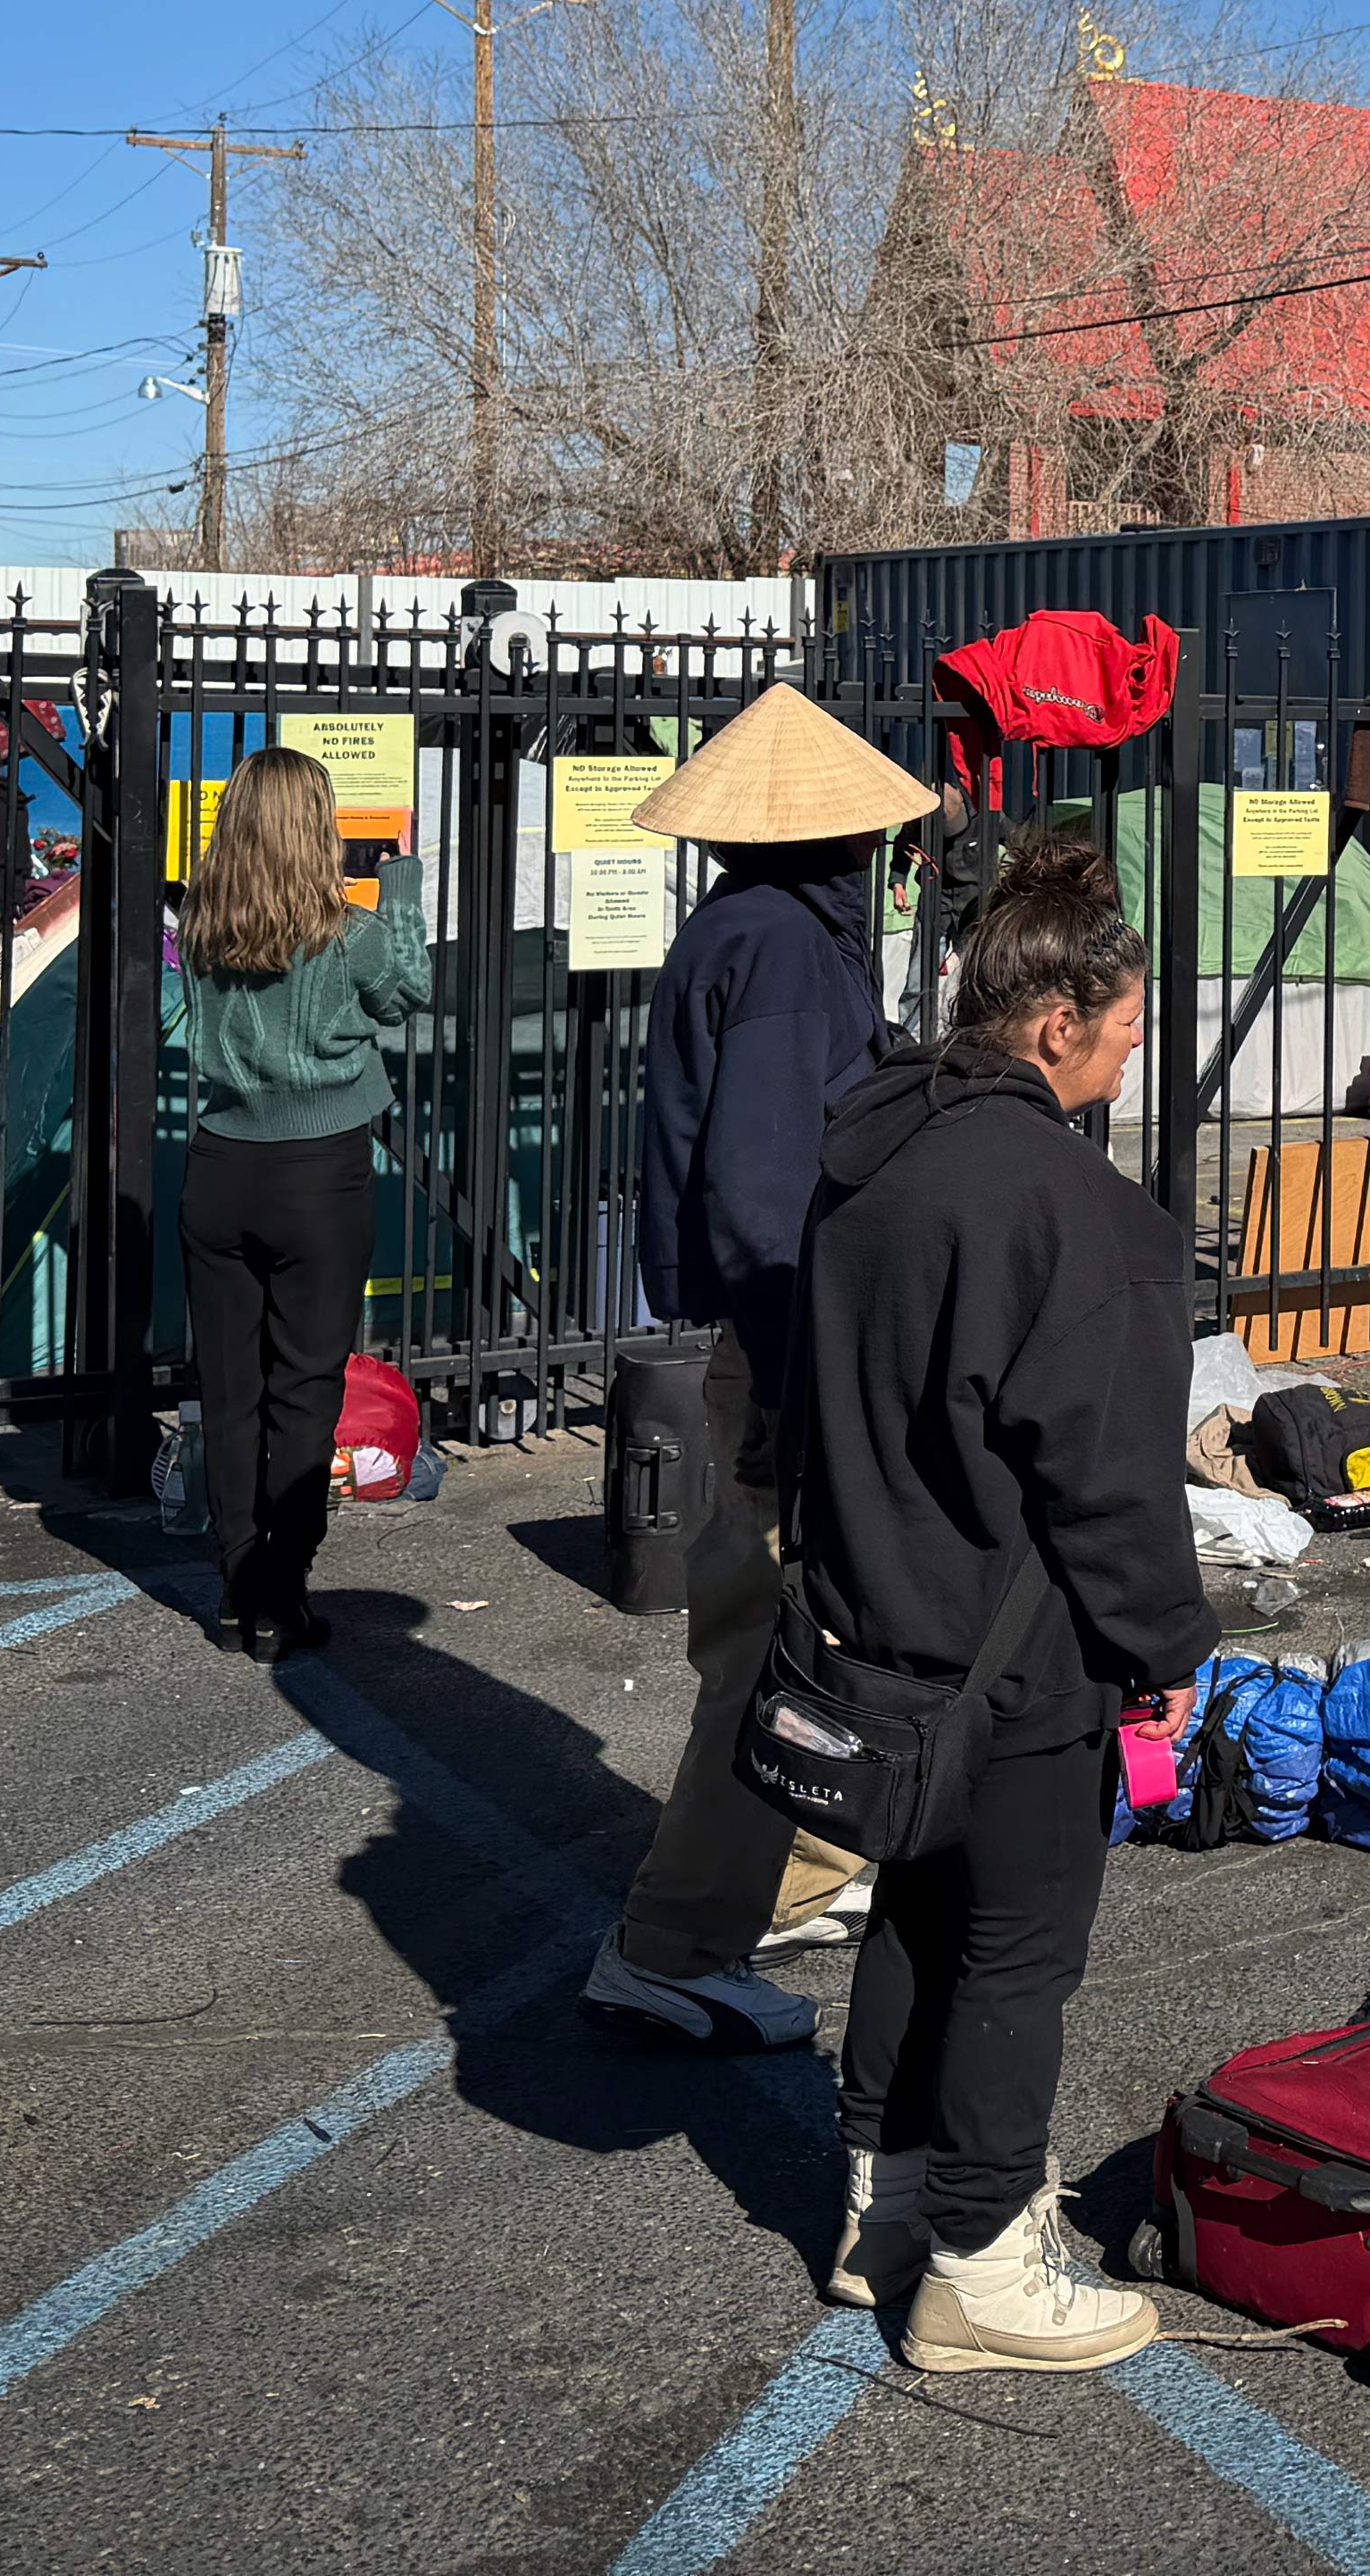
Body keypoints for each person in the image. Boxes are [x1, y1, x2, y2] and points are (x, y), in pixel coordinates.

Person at [789, 834, 1201, 2373]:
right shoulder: (1076, 1211)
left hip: (871, 1619)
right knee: (1018, 1948)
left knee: (917, 1904)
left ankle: (878, 2204)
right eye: (1124, 1019)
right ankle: (980, 2251)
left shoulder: (867, 1145)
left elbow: (810, 1383)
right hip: (1015, 1647)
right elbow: (1109, 1481)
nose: (1131, 1043)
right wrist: (1164, 1648)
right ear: (1056, 1022)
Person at [576, 688, 931, 2059]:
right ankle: (674, 1941)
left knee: (776, 1630)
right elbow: (765, 1197)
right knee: (769, 1652)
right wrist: (809, 1382)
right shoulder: (786, 951)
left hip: (766, 1336)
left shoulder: (752, 930)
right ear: (846, 836)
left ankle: (771, 1879)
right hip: (785, 1341)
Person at [173, 744, 428, 1662]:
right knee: (306, 1387)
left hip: (220, 1163)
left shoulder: (202, 924)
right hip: (318, 1171)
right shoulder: (349, 935)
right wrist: (400, 876)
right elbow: (410, 992)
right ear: (318, 830)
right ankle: (284, 1587)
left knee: (232, 1389)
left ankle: (244, 1580)